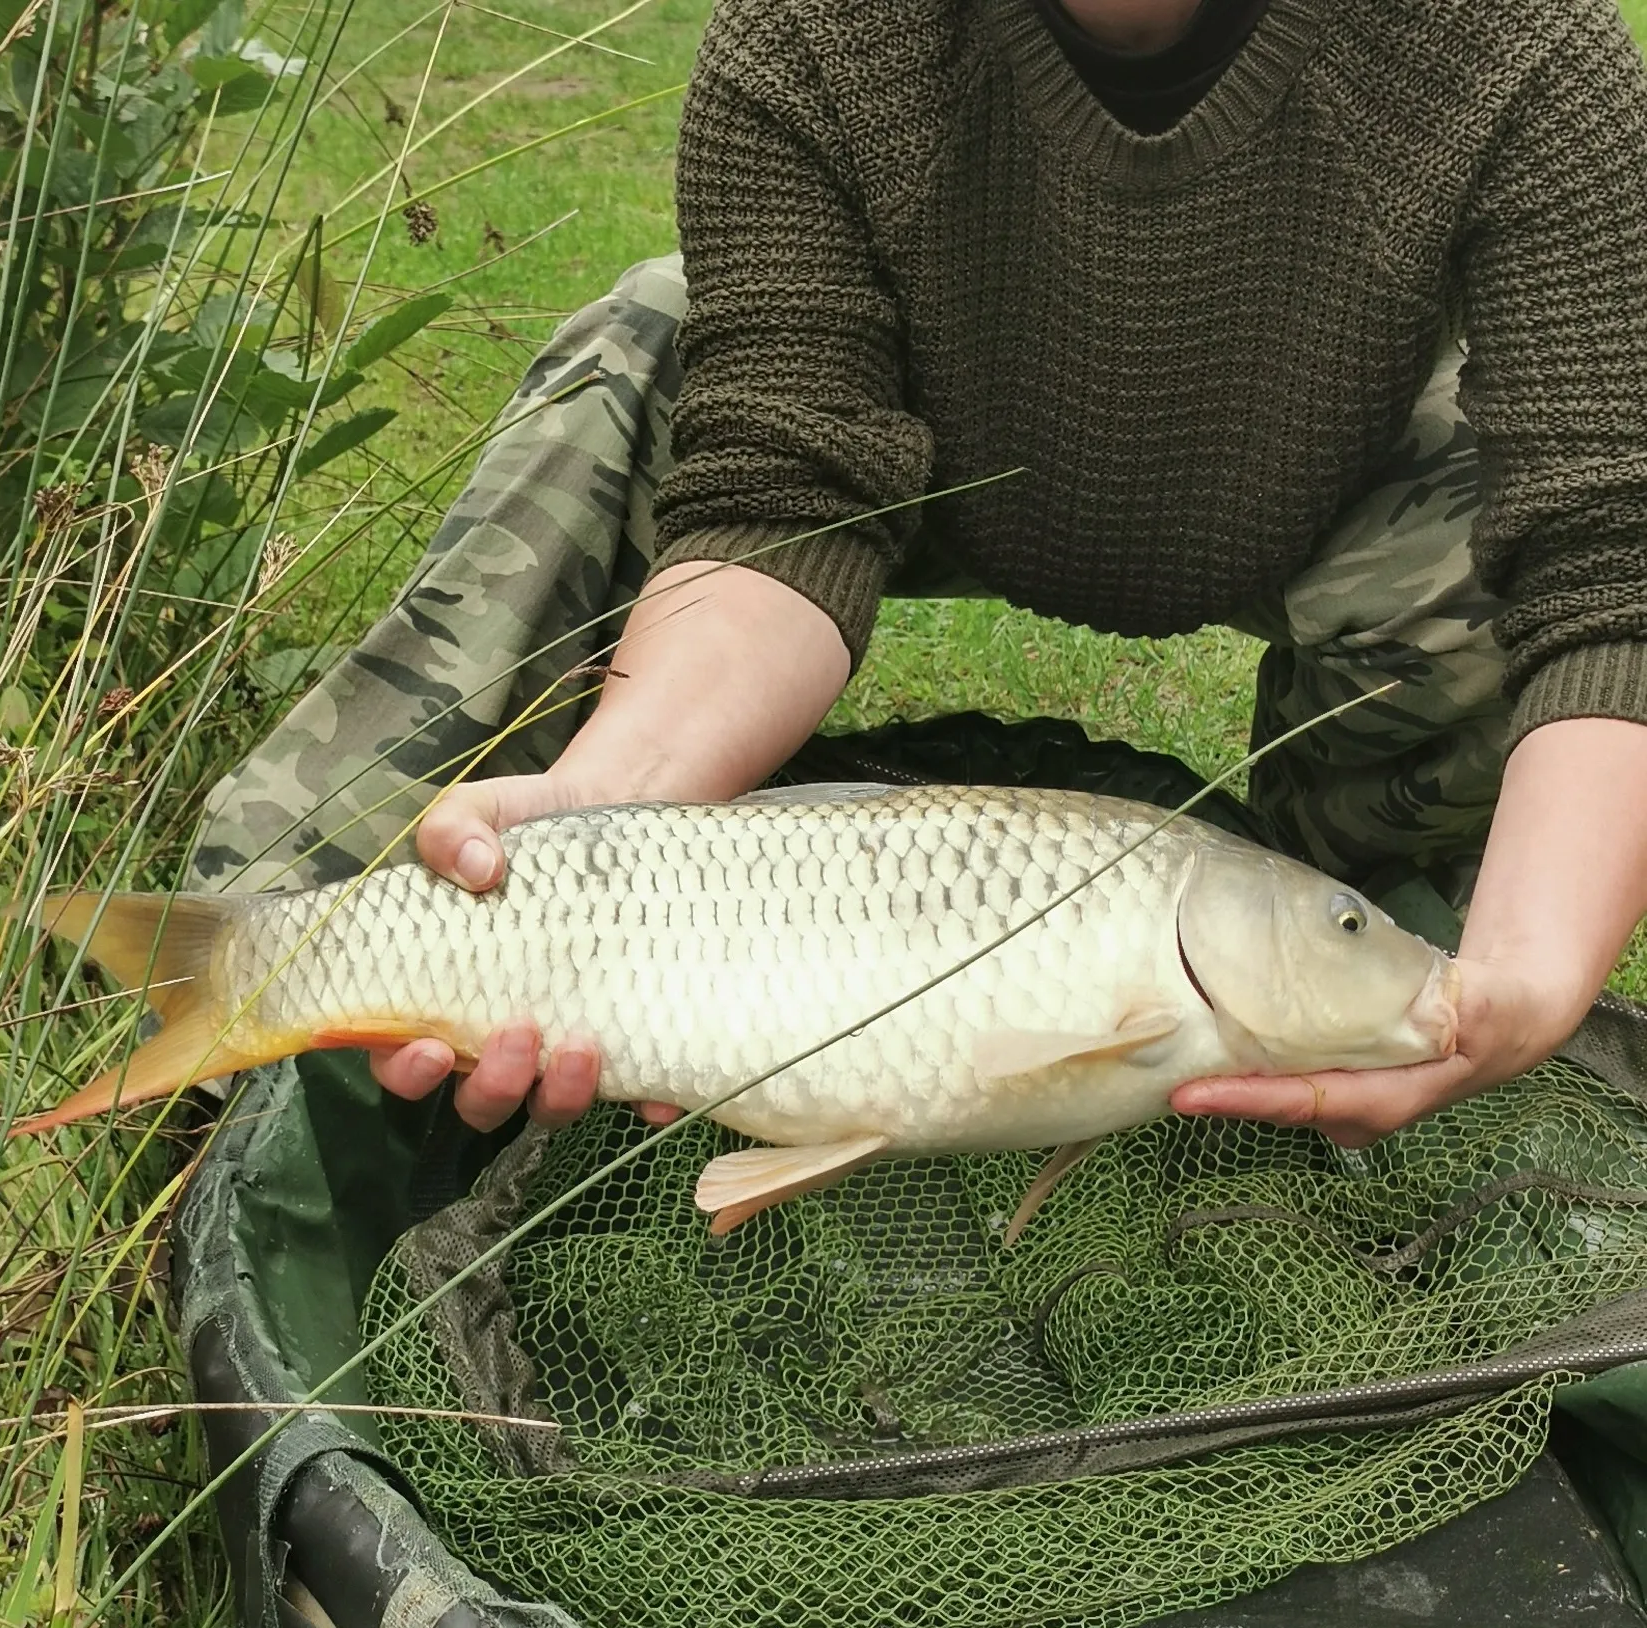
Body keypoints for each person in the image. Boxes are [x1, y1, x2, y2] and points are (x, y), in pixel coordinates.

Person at [203, 0, 1647, 1151]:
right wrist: (610, 805)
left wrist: (1527, 975)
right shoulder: (816, 34)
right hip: (914, 418)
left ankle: (1375, 957)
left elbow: (1606, 570)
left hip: (1329, 471)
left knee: (1509, 530)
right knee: (644, 339)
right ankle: (261, 971)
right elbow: (783, 505)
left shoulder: (1527, 49)